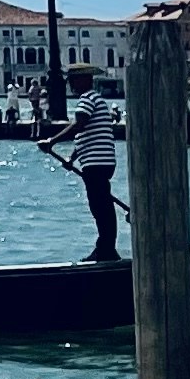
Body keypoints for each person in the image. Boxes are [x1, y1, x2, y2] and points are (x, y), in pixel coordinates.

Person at [55, 65, 124, 260]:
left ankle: (106, 249)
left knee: (100, 206)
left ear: (85, 80)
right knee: (101, 203)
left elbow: (79, 125)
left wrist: (51, 141)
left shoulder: (88, 99)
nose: (71, 85)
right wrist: (72, 158)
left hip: (97, 162)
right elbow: (86, 134)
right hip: (98, 161)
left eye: (73, 81)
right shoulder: (96, 100)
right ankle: (106, 247)